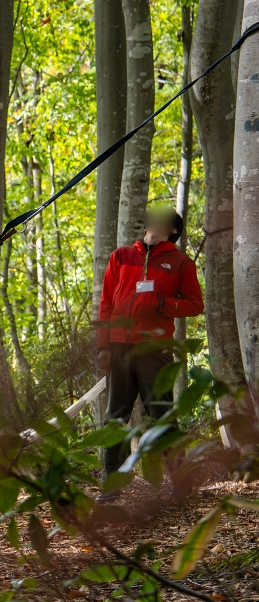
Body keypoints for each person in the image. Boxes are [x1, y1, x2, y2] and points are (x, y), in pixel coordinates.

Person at [96, 206, 203, 502]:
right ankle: (111, 485)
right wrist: (103, 345)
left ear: (173, 230)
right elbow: (106, 302)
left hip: (154, 349)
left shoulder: (181, 263)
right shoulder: (121, 256)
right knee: (115, 418)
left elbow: (195, 304)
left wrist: (162, 303)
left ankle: (181, 484)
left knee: (162, 417)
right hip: (119, 348)